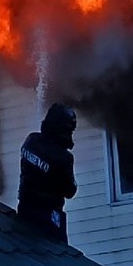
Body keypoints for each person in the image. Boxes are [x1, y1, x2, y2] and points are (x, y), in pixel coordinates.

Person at [17, 103, 78, 242]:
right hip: (49, 217)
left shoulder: (31, 140)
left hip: (24, 210)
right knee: (58, 256)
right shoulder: (63, 158)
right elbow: (70, 191)